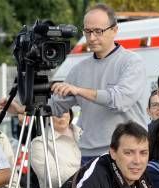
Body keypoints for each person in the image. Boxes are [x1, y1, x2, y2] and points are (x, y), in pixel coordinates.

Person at [49, 3, 146, 164]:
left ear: (115, 30)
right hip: (87, 154)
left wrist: (79, 90)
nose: (92, 38)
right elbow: (56, 105)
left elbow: (119, 100)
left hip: (126, 153)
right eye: (87, 31)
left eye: (98, 31)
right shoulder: (79, 69)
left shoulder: (131, 62)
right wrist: (21, 107)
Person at [30, 109, 81, 188]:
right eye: (55, 112)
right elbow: (52, 175)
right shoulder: (40, 143)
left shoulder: (84, 134)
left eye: (63, 110)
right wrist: (87, 174)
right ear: (48, 116)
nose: (61, 116)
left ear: (70, 113)